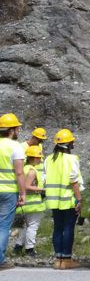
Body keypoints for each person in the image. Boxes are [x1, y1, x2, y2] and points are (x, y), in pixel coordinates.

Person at [45, 129, 83, 270]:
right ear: (69, 145)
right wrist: (79, 200)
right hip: (67, 200)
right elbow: (74, 181)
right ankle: (66, 259)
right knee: (68, 229)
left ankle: (58, 259)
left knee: (57, 228)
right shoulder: (72, 159)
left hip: (54, 200)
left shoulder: (48, 159)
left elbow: (45, 178)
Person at [0, 113, 26, 271]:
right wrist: (23, 193)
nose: (18, 130)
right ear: (12, 130)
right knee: (3, 226)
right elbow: (19, 173)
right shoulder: (15, 146)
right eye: (17, 128)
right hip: (8, 192)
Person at [13, 145, 45, 257]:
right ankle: (29, 249)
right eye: (39, 157)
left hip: (24, 203)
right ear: (34, 158)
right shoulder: (32, 171)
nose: (40, 160)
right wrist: (42, 189)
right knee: (32, 226)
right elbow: (27, 186)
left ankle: (18, 247)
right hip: (33, 204)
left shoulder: (24, 169)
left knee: (25, 226)